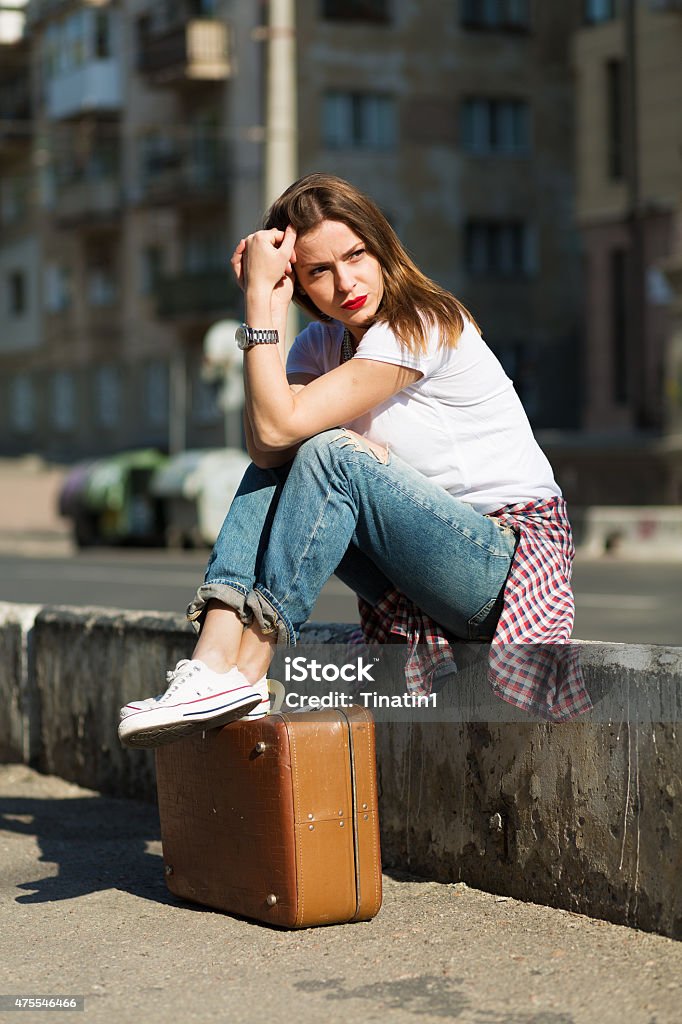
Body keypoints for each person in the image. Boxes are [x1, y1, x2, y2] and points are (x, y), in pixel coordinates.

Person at [118, 173, 589, 749]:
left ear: (381, 246)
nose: (346, 283)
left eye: (356, 255)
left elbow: (278, 425)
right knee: (291, 457)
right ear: (298, 282)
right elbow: (267, 449)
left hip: (503, 569)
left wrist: (261, 318)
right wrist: (262, 299)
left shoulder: (423, 322)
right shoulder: (319, 347)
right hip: (417, 581)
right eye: (319, 271)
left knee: (324, 449)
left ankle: (248, 668)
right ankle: (214, 659)